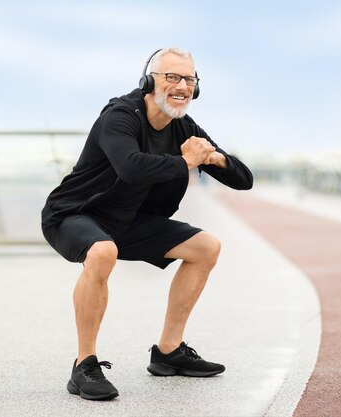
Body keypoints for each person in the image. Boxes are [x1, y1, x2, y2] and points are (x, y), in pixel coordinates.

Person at [41, 48, 253, 401]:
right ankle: (84, 365)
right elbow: (131, 167)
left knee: (206, 247)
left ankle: (168, 352)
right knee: (102, 251)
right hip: (76, 213)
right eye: (172, 77)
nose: (182, 86)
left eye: (189, 79)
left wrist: (215, 157)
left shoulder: (183, 125)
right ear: (148, 81)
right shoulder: (121, 115)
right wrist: (186, 160)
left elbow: (243, 180)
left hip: (132, 221)